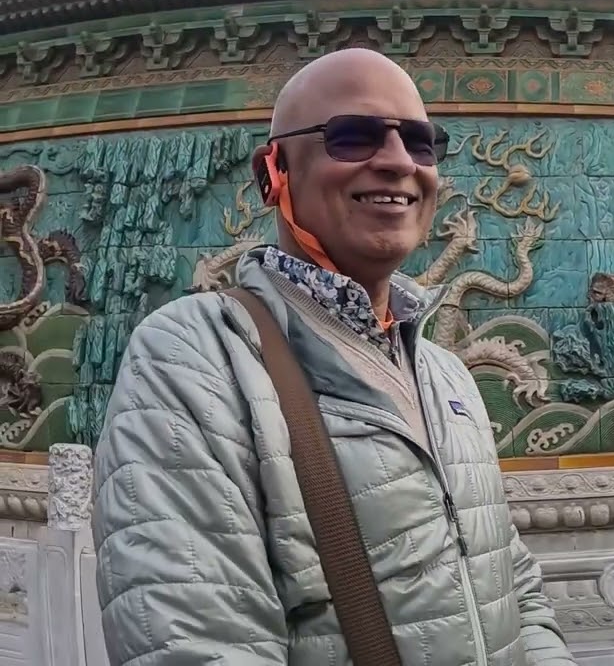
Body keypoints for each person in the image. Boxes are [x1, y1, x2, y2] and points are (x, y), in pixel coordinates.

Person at [90, 48, 575, 666]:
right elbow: (194, 642)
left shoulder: (445, 370)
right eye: (354, 137)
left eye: (423, 143)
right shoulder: (193, 359)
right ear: (275, 172)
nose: (400, 162)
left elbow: (512, 580)